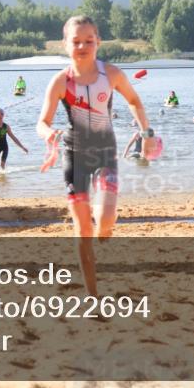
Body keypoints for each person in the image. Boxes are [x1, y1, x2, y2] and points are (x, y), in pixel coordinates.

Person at [37, 15, 156, 296]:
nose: (82, 46)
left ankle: (106, 228)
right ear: (65, 45)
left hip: (105, 154)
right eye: (76, 41)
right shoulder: (60, 82)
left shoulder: (111, 74)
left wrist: (146, 133)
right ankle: (92, 294)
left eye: (88, 40)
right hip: (74, 156)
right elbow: (41, 122)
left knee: (104, 221)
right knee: (82, 229)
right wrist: (49, 134)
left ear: (98, 42)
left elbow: (135, 101)